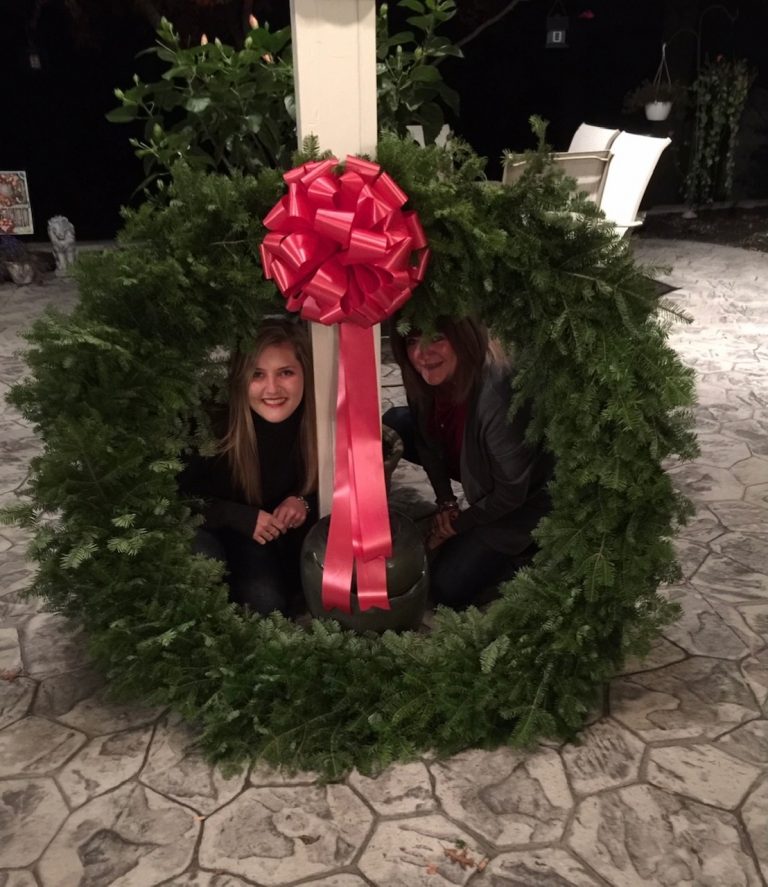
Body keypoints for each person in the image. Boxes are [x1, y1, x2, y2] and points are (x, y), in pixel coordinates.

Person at [384, 316, 553, 609]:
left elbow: (512, 492)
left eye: (436, 338)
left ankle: (532, 553)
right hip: (475, 462)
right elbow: (426, 441)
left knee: (446, 589)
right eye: (412, 342)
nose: (422, 354)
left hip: (524, 502)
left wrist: (458, 524)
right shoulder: (422, 376)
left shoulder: (498, 395)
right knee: (396, 424)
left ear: (464, 337)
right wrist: (447, 502)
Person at [180, 317, 317, 616]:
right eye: (257, 375)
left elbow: (334, 485)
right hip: (207, 524)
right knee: (201, 566)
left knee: (267, 604)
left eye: (286, 373)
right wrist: (236, 516)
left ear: (305, 373)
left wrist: (302, 500)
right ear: (241, 378)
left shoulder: (315, 423)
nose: (272, 389)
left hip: (257, 535)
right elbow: (176, 500)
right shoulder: (213, 428)